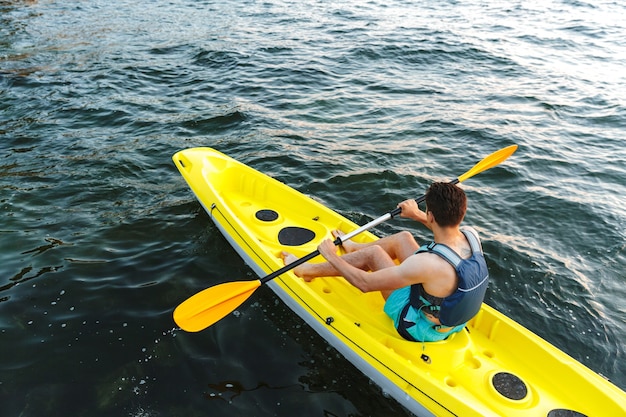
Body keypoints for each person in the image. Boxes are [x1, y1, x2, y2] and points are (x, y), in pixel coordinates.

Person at [281, 182, 489, 342]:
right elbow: (444, 230)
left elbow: (365, 283)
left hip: (418, 326)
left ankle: (306, 270)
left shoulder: (427, 264)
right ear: (461, 213)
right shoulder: (471, 236)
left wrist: (331, 255)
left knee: (374, 254)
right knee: (404, 238)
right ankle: (354, 248)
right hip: (449, 315)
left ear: (431, 216)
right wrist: (415, 214)